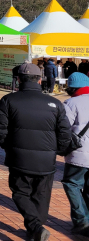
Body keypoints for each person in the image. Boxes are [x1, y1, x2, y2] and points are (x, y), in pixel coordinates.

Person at [0, 63, 71, 241]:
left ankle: (35, 227)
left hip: (19, 159)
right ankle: (36, 228)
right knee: (41, 196)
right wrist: (55, 150)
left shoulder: (8, 100)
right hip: (46, 160)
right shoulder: (55, 103)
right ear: (40, 79)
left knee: (20, 192)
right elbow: (65, 133)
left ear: (19, 79)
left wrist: (9, 147)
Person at [62, 72, 89, 236]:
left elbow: (64, 129)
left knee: (71, 184)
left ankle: (82, 222)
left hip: (79, 155)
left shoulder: (71, 103)